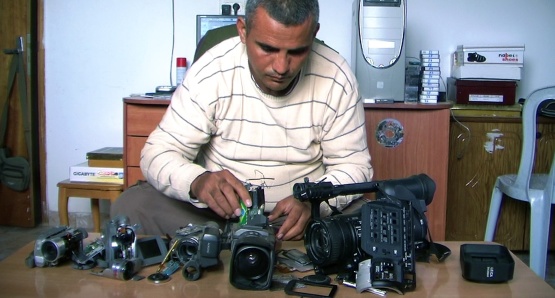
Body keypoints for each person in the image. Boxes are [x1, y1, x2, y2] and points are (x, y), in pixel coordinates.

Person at [111, 0, 373, 240]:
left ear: (313, 34)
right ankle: (222, 241)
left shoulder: (337, 77)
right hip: (216, 217)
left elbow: (355, 166)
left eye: (297, 51)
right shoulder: (211, 71)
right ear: (243, 31)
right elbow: (157, 153)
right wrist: (197, 181)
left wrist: (313, 204)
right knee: (132, 205)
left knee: (375, 218)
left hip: (300, 220)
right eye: (267, 48)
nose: (281, 67)